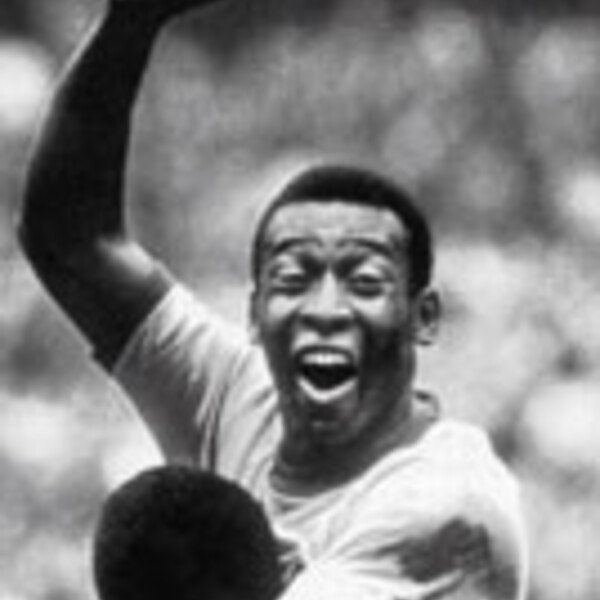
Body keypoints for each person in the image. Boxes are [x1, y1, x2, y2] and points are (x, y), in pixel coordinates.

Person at [19, 0, 529, 598]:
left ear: (423, 317)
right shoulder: (240, 402)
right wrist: (130, 22)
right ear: (255, 315)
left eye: (365, 282)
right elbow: (71, 241)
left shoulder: (447, 510)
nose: (326, 309)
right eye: (293, 280)